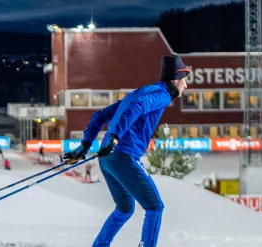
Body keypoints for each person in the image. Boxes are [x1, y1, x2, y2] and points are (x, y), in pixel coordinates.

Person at [63, 55, 191, 247]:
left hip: (107, 158)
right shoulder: (162, 95)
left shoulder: (140, 92)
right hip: (124, 156)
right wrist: (114, 136)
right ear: (176, 79)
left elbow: (101, 115)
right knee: (155, 207)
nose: (186, 86)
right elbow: (137, 108)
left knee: (124, 209)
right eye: (185, 80)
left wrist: (85, 145)